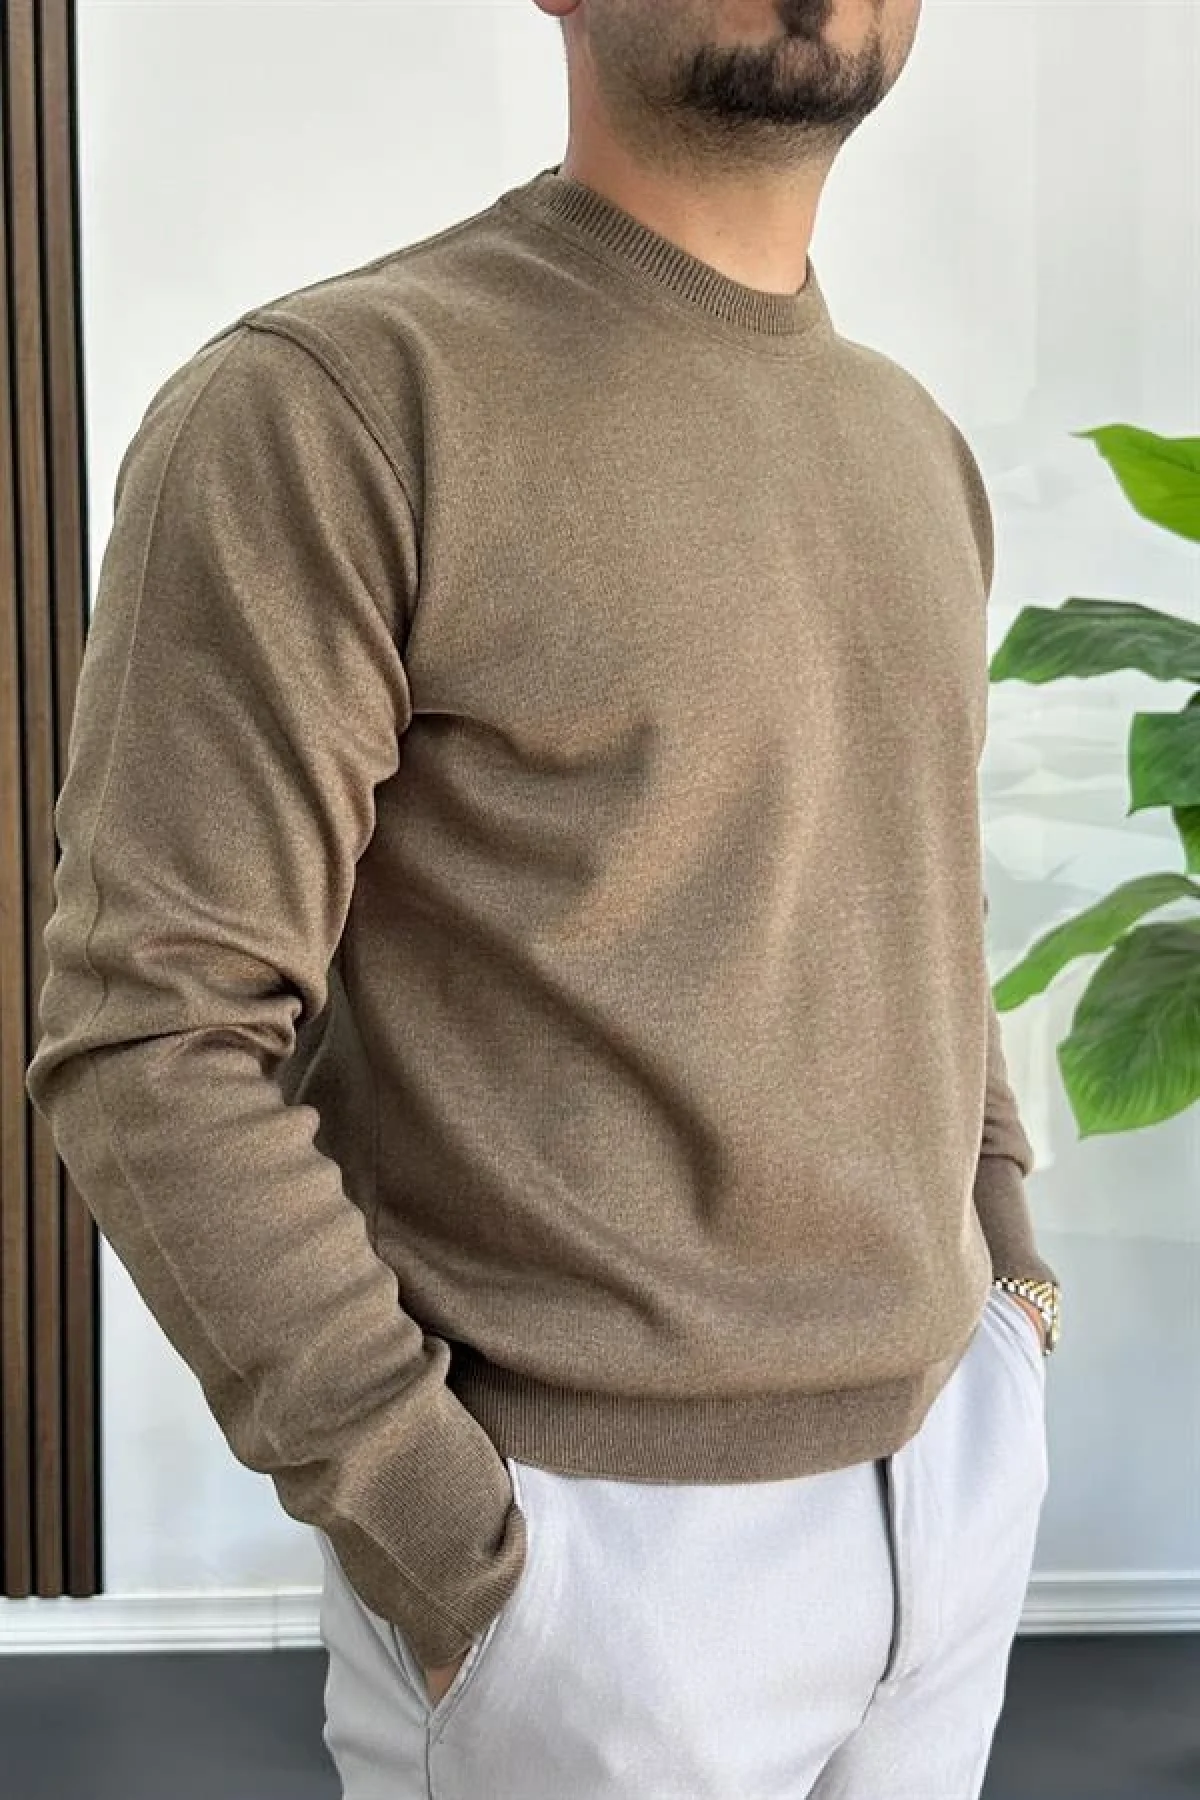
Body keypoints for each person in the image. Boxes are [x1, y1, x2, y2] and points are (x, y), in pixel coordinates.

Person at [26, 0, 1065, 1793]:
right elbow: (153, 1035)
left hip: (948, 1490)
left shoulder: (914, 446)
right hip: (592, 1560)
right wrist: (448, 1539)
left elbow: (920, 906)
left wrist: (1010, 1287)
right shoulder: (334, 407)